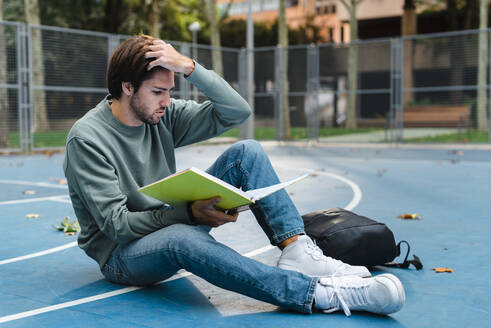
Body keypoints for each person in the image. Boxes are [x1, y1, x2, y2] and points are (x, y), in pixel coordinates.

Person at [63, 34, 405, 317]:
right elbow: (117, 226)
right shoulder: (88, 138)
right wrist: (187, 214)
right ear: (126, 87)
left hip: (168, 219)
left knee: (247, 152)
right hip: (123, 255)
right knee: (183, 237)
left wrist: (190, 67)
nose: (167, 101)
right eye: (158, 91)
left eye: (170, 90)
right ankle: (320, 294)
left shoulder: (160, 115)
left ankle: (298, 252)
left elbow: (237, 111)